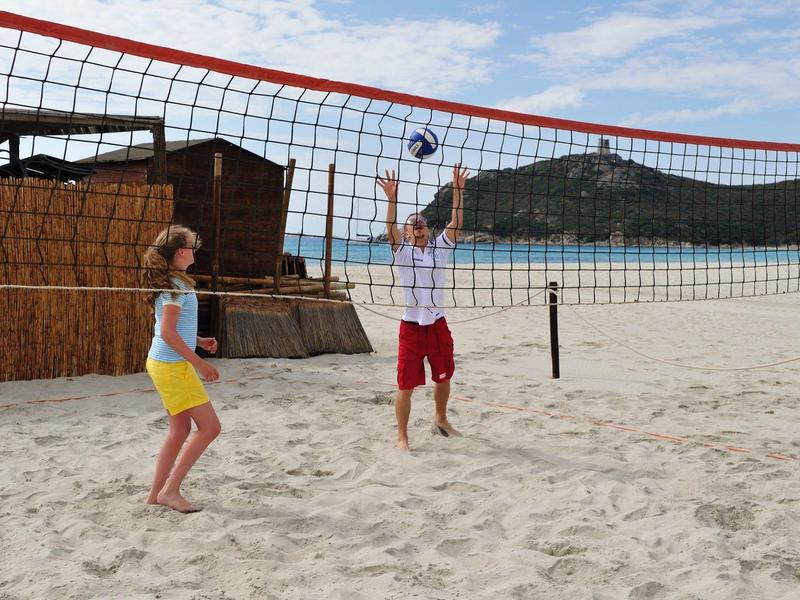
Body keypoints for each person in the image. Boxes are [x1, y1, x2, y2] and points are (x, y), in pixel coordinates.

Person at [377, 163, 469, 451]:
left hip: (438, 324)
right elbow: (389, 228)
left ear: (428, 230)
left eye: (422, 222)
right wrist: (391, 200)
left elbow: (456, 223)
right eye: (413, 222)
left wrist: (457, 191)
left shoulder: (440, 248)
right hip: (412, 328)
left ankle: (440, 419)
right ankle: (402, 437)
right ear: (407, 233)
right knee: (405, 385)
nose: (419, 223)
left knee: (444, 375)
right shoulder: (402, 252)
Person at [141, 225, 221, 513]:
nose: (195, 250)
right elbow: (167, 332)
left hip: (165, 362)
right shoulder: (174, 286)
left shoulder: (176, 282)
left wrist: (198, 341)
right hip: (172, 365)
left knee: (179, 430)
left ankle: (155, 495)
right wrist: (198, 361)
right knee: (210, 428)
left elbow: (171, 329)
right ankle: (170, 491)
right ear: (179, 252)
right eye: (191, 245)